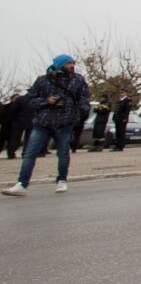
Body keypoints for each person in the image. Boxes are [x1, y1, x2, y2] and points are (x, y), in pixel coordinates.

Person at [3, 54, 90, 197]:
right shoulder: (43, 80)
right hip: (43, 122)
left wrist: (80, 114)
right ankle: (21, 184)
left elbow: (84, 98)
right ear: (60, 64)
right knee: (30, 153)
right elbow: (30, 100)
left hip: (65, 122)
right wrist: (46, 101)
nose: (72, 66)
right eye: (69, 63)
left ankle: (62, 180)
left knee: (63, 153)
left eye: (73, 63)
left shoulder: (77, 80)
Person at [6, 90, 33, 159]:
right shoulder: (34, 100)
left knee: (15, 138)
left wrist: (13, 118)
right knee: (28, 139)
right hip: (30, 121)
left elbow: (13, 110)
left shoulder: (20, 99)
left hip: (18, 121)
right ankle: (25, 153)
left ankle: (11, 153)